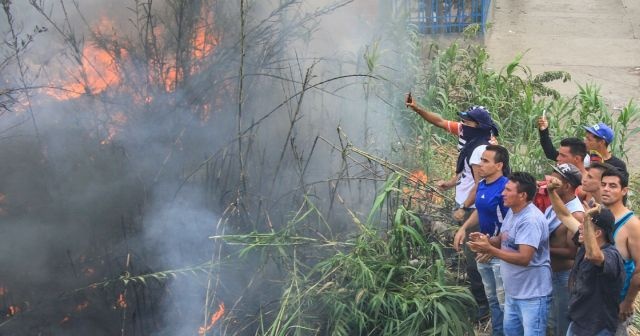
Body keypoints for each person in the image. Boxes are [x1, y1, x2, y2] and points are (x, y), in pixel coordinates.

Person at [406, 97, 499, 317]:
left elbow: (480, 185)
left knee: (475, 256)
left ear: (479, 126)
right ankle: (483, 300)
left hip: (475, 210)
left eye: (468, 121)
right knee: (472, 255)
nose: (463, 124)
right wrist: (417, 108)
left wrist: (464, 206)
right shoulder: (469, 136)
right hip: (470, 206)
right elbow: (438, 122)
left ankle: (484, 306)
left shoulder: (481, 151)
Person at [467, 172, 552, 336]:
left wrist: (490, 250)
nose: (502, 193)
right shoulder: (513, 212)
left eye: (508, 190)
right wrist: (487, 241)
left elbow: (524, 258)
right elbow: (505, 239)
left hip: (532, 297)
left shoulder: (530, 220)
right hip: (513, 293)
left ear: (522, 195)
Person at [547, 178, 625, 335]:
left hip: (597, 328)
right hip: (578, 322)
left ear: (597, 233)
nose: (580, 227)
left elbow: (595, 256)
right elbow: (564, 215)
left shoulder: (611, 255)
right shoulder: (585, 243)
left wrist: (588, 219)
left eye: (585, 225)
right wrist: (551, 192)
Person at [454, 145, 510, 335]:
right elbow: (481, 210)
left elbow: (511, 225)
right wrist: (464, 228)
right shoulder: (483, 185)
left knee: (504, 302)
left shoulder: (506, 188)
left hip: (500, 254)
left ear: (499, 165)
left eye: (485, 161)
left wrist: (491, 247)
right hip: (484, 251)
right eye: (480, 160)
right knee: (492, 299)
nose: (479, 165)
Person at [543, 164, 584, 336]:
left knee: (562, 323)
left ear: (566, 186)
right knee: (551, 321)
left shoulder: (576, 214)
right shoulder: (554, 205)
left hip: (564, 276)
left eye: (554, 178)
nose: (548, 181)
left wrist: (542, 249)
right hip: (551, 273)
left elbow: (573, 253)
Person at [599, 168, 640, 335]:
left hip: (616, 303)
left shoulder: (632, 225)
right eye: (603, 185)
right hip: (594, 301)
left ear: (624, 191)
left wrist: (628, 302)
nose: (606, 189)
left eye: (613, 186)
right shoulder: (600, 215)